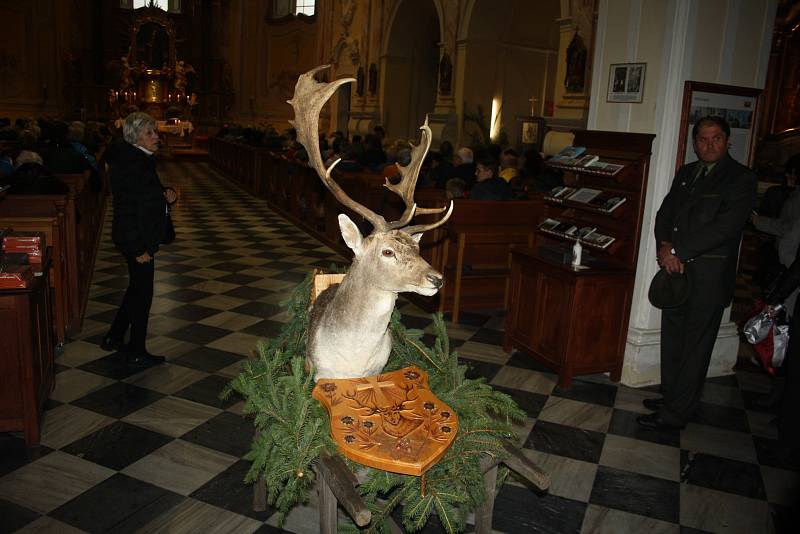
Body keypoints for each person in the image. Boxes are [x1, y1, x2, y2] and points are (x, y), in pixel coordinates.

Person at [640, 116, 757, 430]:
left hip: (708, 278)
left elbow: (725, 227)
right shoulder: (687, 173)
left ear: (727, 140)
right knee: (673, 340)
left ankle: (678, 413)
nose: (709, 144)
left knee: (695, 348)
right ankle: (672, 397)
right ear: (694, 142)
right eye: (702, 139)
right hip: (675, 273)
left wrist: (679, 252)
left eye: (716, 138)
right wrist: (665, 247)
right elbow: (666, 213)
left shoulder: (741, 178)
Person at [102, 112, 176, 366]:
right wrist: (137, 248)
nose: (156, 137)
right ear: (135, 137)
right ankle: (136, 349)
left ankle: (113, 336)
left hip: (138, 238)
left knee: (136, 288)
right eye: (150, 133)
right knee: (143, 294)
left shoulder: (137, 158)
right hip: (136, 241)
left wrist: (164, 194)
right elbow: (127, 209)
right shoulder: (132, 164)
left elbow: (145, 194)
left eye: (155, 132)